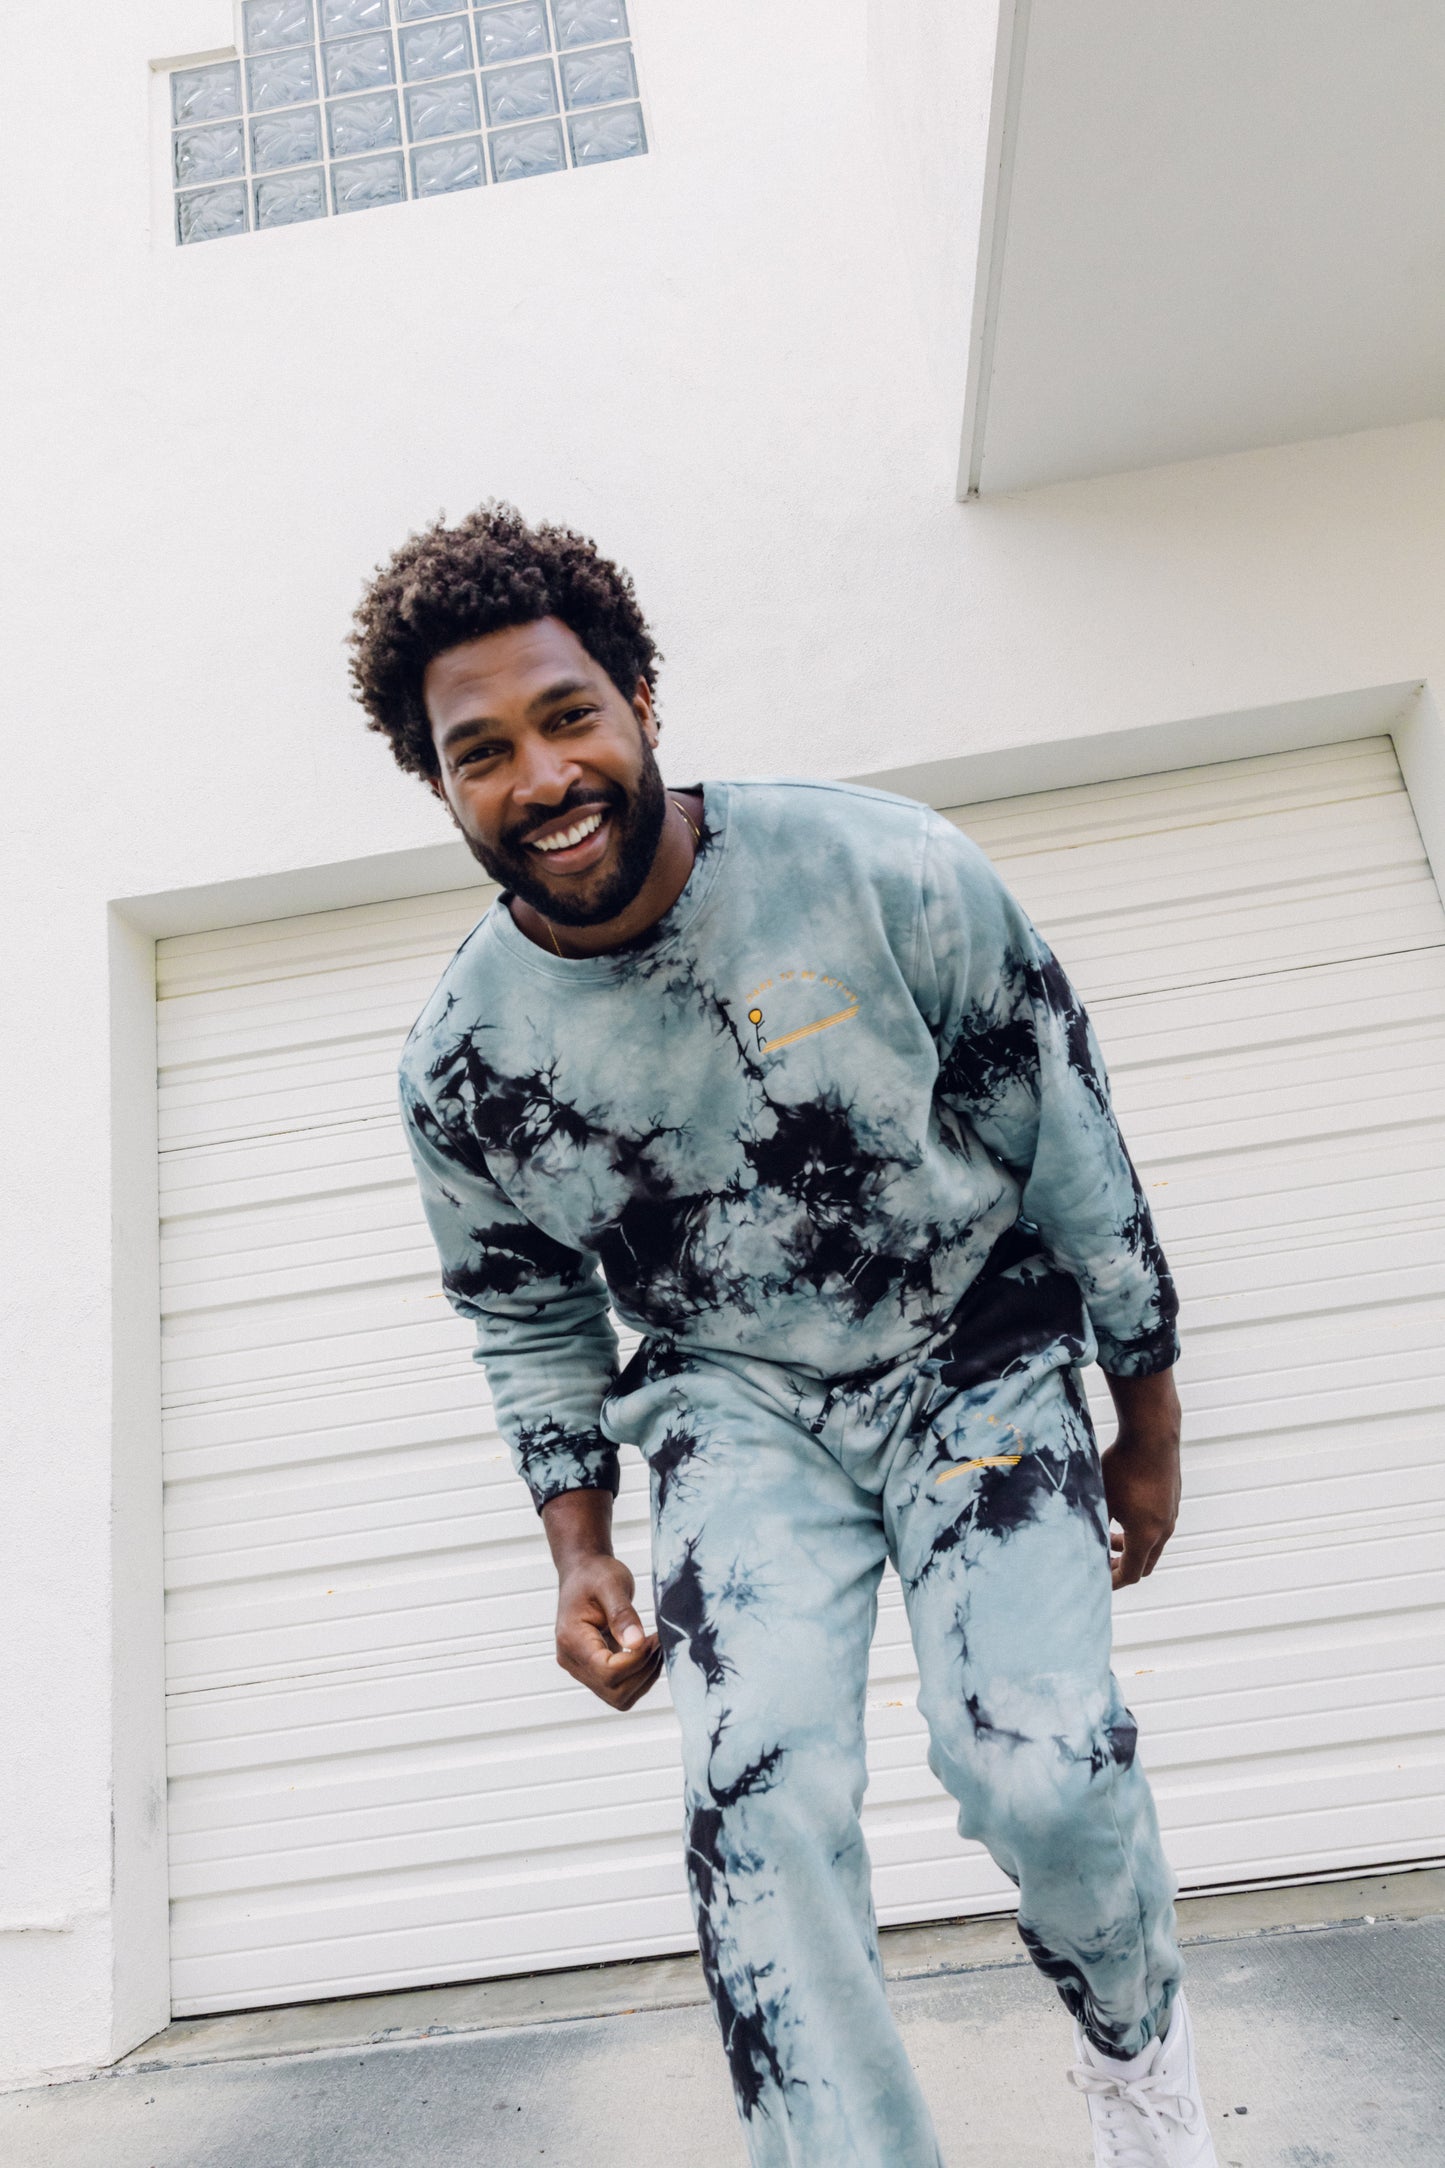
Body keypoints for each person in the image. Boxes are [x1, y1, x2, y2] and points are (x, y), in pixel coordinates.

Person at [349, 504, 1219, 2167]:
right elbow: (521, 1311)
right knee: (756, 1804)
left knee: (1039, 1767)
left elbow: (1071, 1144)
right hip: (732, 1406)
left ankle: (1134, 2051)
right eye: (482, 752)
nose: (541, 777)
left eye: (567, 716)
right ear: (438, 783)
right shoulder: (464, 1063)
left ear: (641, 700)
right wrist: (576, 1549)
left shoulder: (883, 872)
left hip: (973, 1355)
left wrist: (1148, 1422)